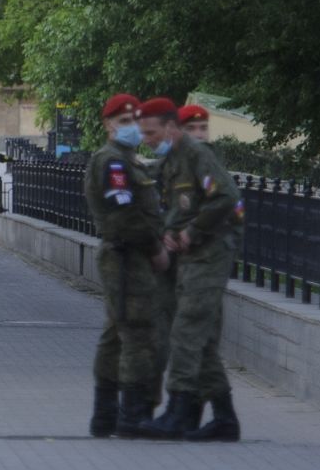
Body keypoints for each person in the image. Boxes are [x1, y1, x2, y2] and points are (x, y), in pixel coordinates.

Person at [138, 96, 245, 442]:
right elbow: (178, 209)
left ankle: (178, 411)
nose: (147, 139)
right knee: (203, 341)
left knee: (185, 333)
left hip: (209, 256)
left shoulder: (198, 156)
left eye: (151, 132)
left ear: (171, 127)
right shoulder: (174, 160)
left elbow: (226, 196)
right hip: (191, 258)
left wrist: (192, 232)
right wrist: (172, 233)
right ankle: (224, 418)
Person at [83, 94, 171, 440]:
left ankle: (105, 417)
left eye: (136, 121)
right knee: (137, 333)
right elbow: (124, 216)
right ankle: (133, 416)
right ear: (108, 125)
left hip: (128, 256)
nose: (133, 127)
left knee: (116, 334)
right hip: (126, 257)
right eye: (125, 121)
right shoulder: (112, 163)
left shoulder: (126, 160)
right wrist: (155, 249)